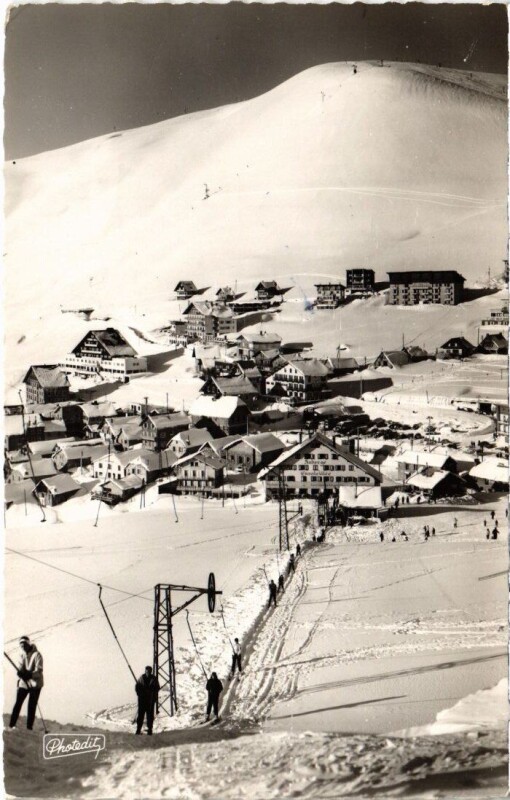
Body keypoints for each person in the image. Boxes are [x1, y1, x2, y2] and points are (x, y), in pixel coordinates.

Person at [9, 636, 44, 731]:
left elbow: (39, 671)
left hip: (35, 684)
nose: (23, 647)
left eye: (24, 645)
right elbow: (21, 668)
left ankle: (29, 728)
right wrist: (20, 673)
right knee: (18, 703)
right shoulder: (22, 655)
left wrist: (29, 675)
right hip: (24, 683)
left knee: (31, 706)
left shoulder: (37, 655)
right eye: (21, 645)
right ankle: (11, 725)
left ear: (28, 644)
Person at [135, 665, 159, 735]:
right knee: (140, 715)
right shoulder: (141, 678)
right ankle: (138, 729)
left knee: (150, 716)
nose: (148, 672)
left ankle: (150, 730)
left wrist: (151, 691)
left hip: (150, 701)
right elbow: (137, 688)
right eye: (146, 671)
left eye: (149, 671)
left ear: (151, 671)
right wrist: (141, 693)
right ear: (145, 671)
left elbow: (157, 688)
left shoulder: (154, 679)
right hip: (142, 700)